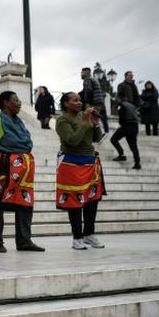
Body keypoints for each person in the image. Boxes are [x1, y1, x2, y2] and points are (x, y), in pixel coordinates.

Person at [0, 91, 44, 253]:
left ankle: (24, 241)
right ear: (6, 102)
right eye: (16, 100)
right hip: (2, 167)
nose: (19, 103)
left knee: (25, 203)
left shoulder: (19, 122)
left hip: (22, 169)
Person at [55, 92, 106, 250]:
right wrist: (85, 121)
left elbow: (97, 139)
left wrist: (96, 122)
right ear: (65, 104)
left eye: (80, 99)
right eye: (74, 100)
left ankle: (89, 234)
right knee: (75, 200)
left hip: (90, 161)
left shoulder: (84, 116)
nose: (79, 102)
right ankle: (77, 237)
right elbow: (73, 141)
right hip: (71, 162)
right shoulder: (62, 120)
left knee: (92, 199)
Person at [111, 96, 141, 170]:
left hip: (126, 126)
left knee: (113, 139)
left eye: (117, 98)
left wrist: (121, 124)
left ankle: (121, 154)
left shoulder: (122, 105)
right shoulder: (132, 106)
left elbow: (122, 116)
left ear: (120, 98)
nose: (117, 100)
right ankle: (137, 163)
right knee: (133, 146)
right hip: (134, 126)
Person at [80, 67, 108, 133]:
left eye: (82, 73)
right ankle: (105, 132)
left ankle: (96, 136)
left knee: (91, 120)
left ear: (87, 72)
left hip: (94, 103)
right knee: (99, 119)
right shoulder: (94, 79)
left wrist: (87, 103)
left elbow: (88, 90)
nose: (81, 74)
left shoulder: (87, 79)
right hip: (100, 103)